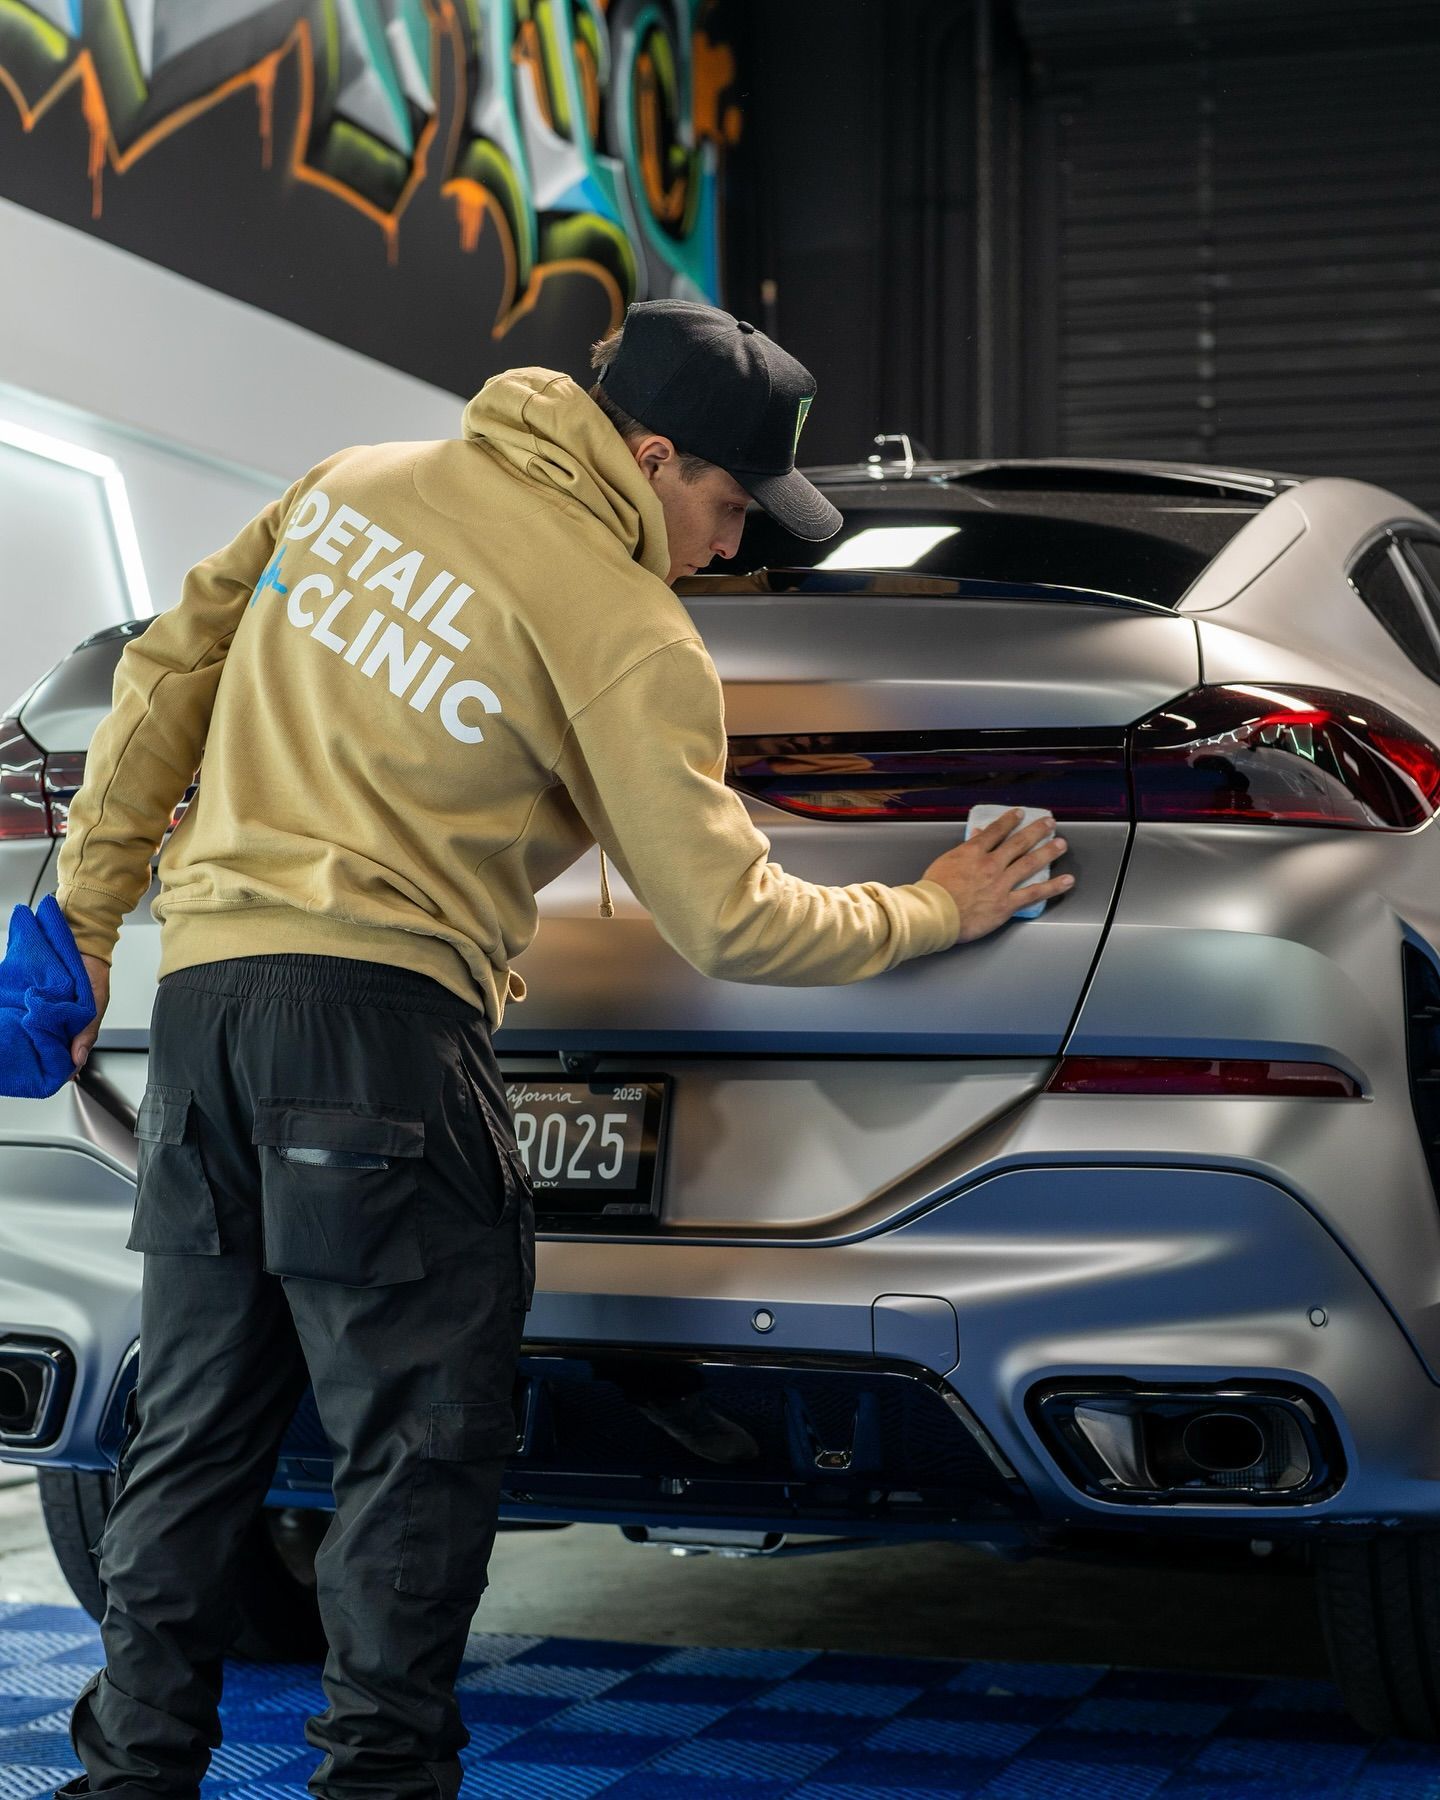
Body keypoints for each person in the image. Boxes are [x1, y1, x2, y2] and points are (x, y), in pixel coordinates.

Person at [52, 298, 1072, 1799]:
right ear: (652, 458)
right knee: (420, 1448)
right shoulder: (624, 627)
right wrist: (935, 905)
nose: (730, 544)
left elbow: (160, 683)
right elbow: (736, 924)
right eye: (730, 505)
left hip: (203, 1016)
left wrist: (83, 926)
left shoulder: (346, 486)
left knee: (193, 1436)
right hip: (384, 1040)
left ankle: (128, 1780)